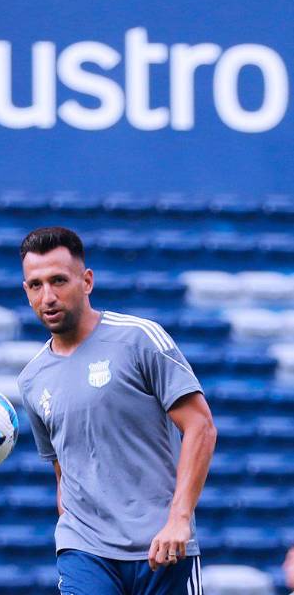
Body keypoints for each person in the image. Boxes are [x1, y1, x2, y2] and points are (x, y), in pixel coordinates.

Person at [17, 227, 217, 595]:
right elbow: (63, 471)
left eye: (59, 280)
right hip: (85, 550)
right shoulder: (32, 379)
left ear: (87, 281)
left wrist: (179, 519)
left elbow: (200, 426)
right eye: (35, 285)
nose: (48, 296)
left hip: (162, 546)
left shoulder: (140, 339)